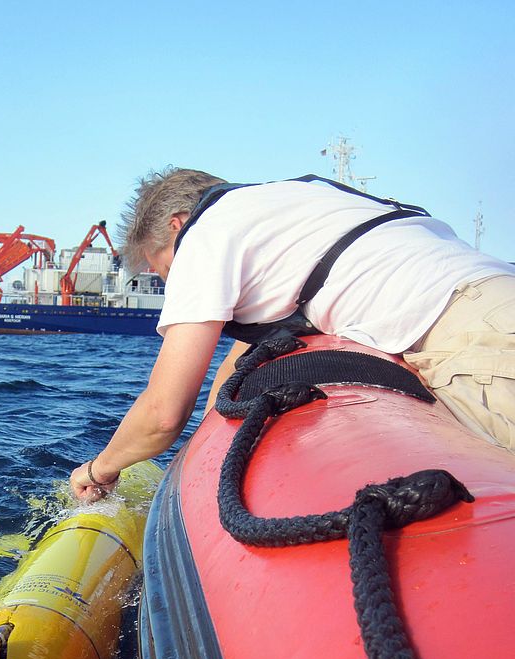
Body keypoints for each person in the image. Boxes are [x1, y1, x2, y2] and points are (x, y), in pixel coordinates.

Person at [70, 167, 515, 502]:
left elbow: (164, 411)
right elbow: (237, 360)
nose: (172, 283)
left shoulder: (204, 234)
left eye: (166, 268)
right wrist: (202, 446)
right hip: (490, 301)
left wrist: (98, 469)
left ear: (177, 224)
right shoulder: (291, 207)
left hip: (472, 337)